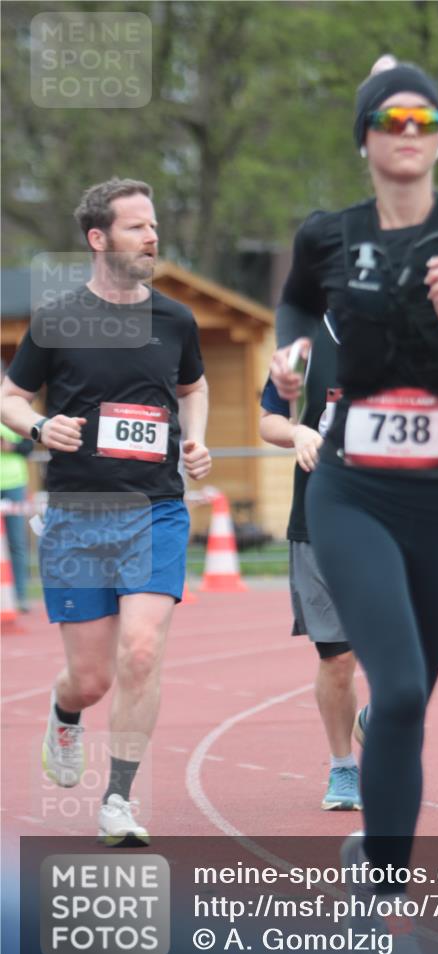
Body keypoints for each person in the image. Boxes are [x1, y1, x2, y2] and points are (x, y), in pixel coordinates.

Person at [271, 56, 438, 954]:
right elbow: (295, 305)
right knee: (405, 687)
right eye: (389, 118)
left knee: (405, 704)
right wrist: (289, 361)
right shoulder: (327, 236)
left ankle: (370, 864)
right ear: (364, 139)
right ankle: (385, 906)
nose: (406, 132)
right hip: (353, 490)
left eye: (422, 119)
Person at [0, 178, 211, 844]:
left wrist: (197, 435)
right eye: (136, 227)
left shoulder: (175, 319)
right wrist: (37, 428)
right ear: (98, 238)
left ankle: (118, 800)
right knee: (90, 679)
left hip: (155, 509)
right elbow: (9, 396)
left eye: (153, 226)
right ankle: (65, 716)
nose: (152, 237)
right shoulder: (58, 319)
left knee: (141, 652)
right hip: (78, 512)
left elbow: (194, 385)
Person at [259, 316, 369, 811]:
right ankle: (343, 767)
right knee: (338, 659)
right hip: (319, 520)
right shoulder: (304, 347)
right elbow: (268, 420)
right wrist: (298, 433)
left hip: (395, 519)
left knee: (410, 649)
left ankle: (378, 718)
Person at [0, 407, 34, 613]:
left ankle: (20, 596)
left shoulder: (13, 409)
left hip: (14, 484)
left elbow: (29, 445)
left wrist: (11, 446)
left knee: (17, 542)